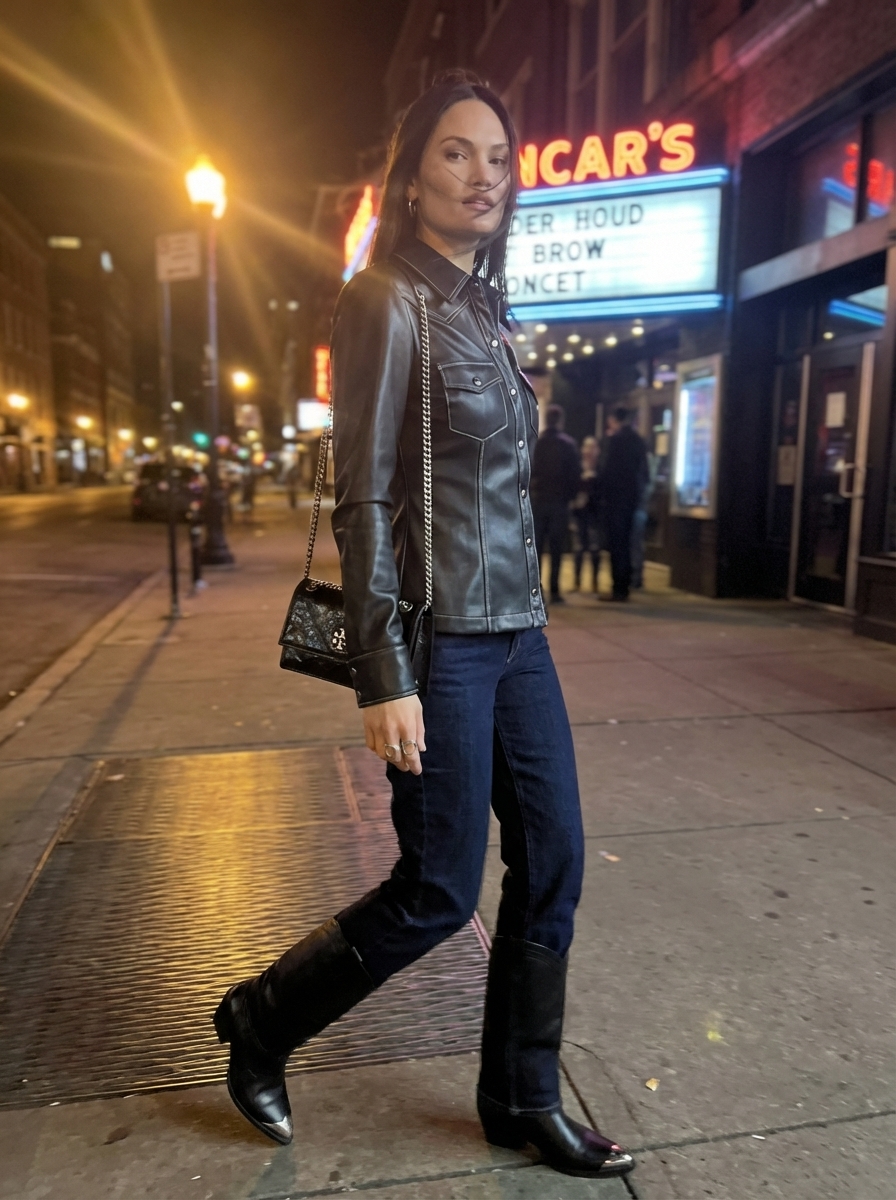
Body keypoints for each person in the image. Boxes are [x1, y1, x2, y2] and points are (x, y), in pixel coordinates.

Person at [211, 71, 634, 1182]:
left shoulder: (483, 311)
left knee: (553, 863)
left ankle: (519, 1099)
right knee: (440, 888)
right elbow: (358, 497)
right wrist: (380, 673)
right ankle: (261, 1017)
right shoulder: (383, 299)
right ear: (410, 178)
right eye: (456, 152)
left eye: (498, 156)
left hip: (517, 636)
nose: (483, 174)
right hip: (439, 643)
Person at [530, 404, 580, 603]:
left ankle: (537, 592)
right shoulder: (567, 444)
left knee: (537, 548)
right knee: (557, 547)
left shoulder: (537, 442)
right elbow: (574, 474)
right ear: (560, 421)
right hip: (559, 502)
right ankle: (555, 590)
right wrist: (571, 496)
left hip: (538, 500)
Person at [598, 405, 648, 603]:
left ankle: (618, 587)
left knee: (617, 544)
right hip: (632, 498)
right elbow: (643, 471)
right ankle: (625, 584)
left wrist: (600, 494)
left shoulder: (615, 441)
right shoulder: (638, 440)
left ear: (613, 419)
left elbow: (608, 471)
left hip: (615, 500)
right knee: (627, 542)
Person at [572, 435, 601, 592]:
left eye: (593, 447)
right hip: (579, 513)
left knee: (594, 548)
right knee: (579, 547)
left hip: (594, 513)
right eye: (587, 447)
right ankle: (577, 582)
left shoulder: (600, 468)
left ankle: (595, 583)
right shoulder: (577, 467)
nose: (589, 451)